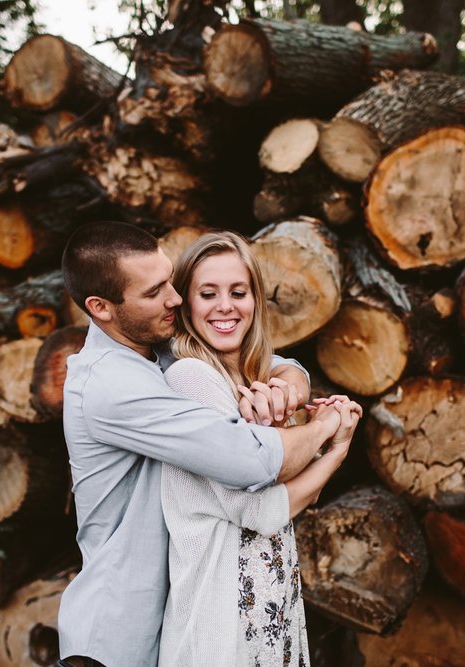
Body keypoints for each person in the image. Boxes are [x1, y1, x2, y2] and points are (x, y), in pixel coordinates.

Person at [59, 221, 350, 667]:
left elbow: (247, 353)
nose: (174, 299)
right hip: (118, 639)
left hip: (175, 610)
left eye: (172, 283)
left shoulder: (148, 345)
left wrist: (291, 381)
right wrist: (326, 430)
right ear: (101, 307)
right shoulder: (112, 386)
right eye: (156, 291)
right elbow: (252, 461)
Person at [160, 232, 361, 666]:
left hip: (272, 605)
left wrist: (296, 391)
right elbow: (260, 510)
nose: (225, 307)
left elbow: (293, 486)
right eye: (207, 293)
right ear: (187, 304)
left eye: (238, 292)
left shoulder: (250, 376)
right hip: (221, 617)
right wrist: (333, 446)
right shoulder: (191, 379)